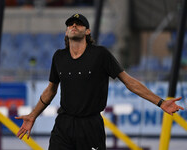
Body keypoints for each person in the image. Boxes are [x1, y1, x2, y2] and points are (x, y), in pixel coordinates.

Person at [15, 14, 184, 150]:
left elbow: (129, 82)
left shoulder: (100, 54)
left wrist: (160, 102)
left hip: (90, 126)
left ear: (87, 31)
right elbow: (50, 90)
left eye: (79, 24)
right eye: (70, 24)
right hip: (63, 124)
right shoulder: (59, 56)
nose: (74, 26)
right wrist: (32, 116)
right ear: (66, 32)